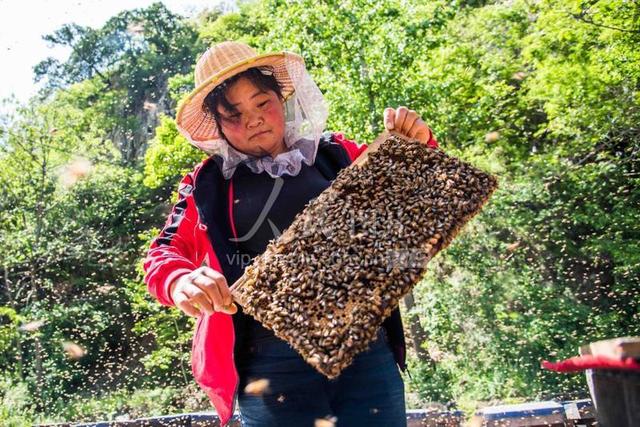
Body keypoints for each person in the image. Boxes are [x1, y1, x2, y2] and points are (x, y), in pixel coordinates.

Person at [143, 41, 439, 427]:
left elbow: (412, 191)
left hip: (364, 348)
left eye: (261, 102)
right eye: (233, 114)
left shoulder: (337, 153)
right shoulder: (206, 183)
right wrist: (181, 279)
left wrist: (416, 144)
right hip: (268, 360)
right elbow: (163, 253)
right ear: (216, 126)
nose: (253, 120)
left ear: (282, 100)